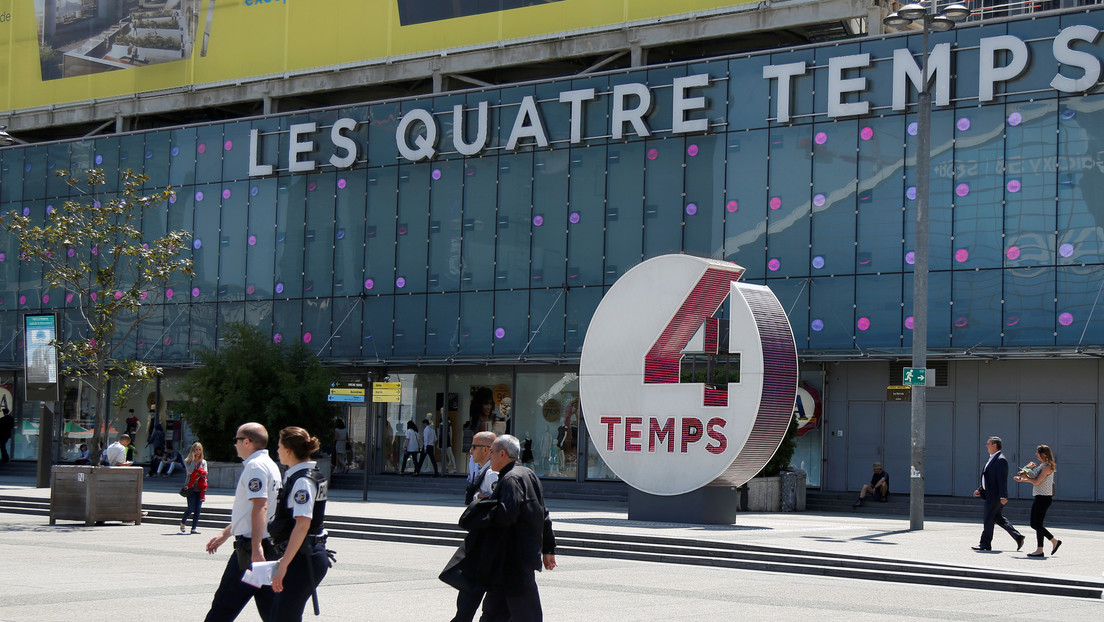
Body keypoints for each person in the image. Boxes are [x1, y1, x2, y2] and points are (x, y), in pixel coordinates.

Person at [461, 434, 557, 622]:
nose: (490, 457)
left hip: (512, 560)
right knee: (494, 613)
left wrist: (480, 508)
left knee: (525, 615)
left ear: (503, 454)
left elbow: (507, 514)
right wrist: (548, 548)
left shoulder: (510, 479)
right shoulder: (528, 474)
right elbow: (543, 513)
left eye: (493, 453)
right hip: (514, 559)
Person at [202, 422, 281, 622]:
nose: (235, 445)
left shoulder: (255, 466)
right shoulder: (270, 465)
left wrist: (255, 548)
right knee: (271, 608)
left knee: (224, 605)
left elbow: (260, 506)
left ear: (247, 441)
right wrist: (226, 533)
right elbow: (253, 511)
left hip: (252, 549)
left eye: (236, 440)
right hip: (264, 545)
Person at [269, 427, 332, 621]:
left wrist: (284, 564)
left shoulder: (302, 481)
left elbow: (303, 525)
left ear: (288, 450)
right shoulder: (304, 475)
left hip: (304, 557)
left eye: (279, 447)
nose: (277, 451)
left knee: (283, 616)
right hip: (303, 555)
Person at [449, 430, 498, 622]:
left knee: (473, 588)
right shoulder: (485, 470)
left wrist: (478, 497)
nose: (470, 451)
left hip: (486, 541)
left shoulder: (492, 473)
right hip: (483, 540)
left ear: (486, 450)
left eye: (474, 447)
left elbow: (497, 502)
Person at [972, 436, 1025, 552]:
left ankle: (985, 544)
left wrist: (1003, 496)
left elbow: (1002, 479)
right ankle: (1018, 536)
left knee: (988, 519)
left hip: (995, 496)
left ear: (994, 445)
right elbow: (990, 478)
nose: (986, 446)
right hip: (990, 493)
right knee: (997, 518)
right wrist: (981, 489)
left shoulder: (1000, 460)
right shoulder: (993, 458)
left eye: (988, 443)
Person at [1013, 444, 1061, 558]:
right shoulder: (1042, 465)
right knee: (1035, 524)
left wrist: (1025, 478)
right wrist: (1022, 478)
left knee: (1036, 524)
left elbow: (1036, 482)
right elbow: (1035, 479)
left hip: (1044, 498)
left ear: (1043, 454)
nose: (1036, 454)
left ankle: (1045, 546)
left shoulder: (1047, 467)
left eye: (1037, 452)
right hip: (1039, 496)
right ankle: (1050, 543)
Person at [181, 442, 208, 534]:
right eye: (196, 450)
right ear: (192, 451)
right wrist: (193, 460)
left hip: (200, 488)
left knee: (198, 509)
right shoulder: (187, 461)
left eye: (199, 449)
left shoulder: (203, 462)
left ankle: (193, 528)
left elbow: (205, 473)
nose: (198, 452)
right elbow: (189, 471)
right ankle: (183, 522)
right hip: (190, 488)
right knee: (191, 508)